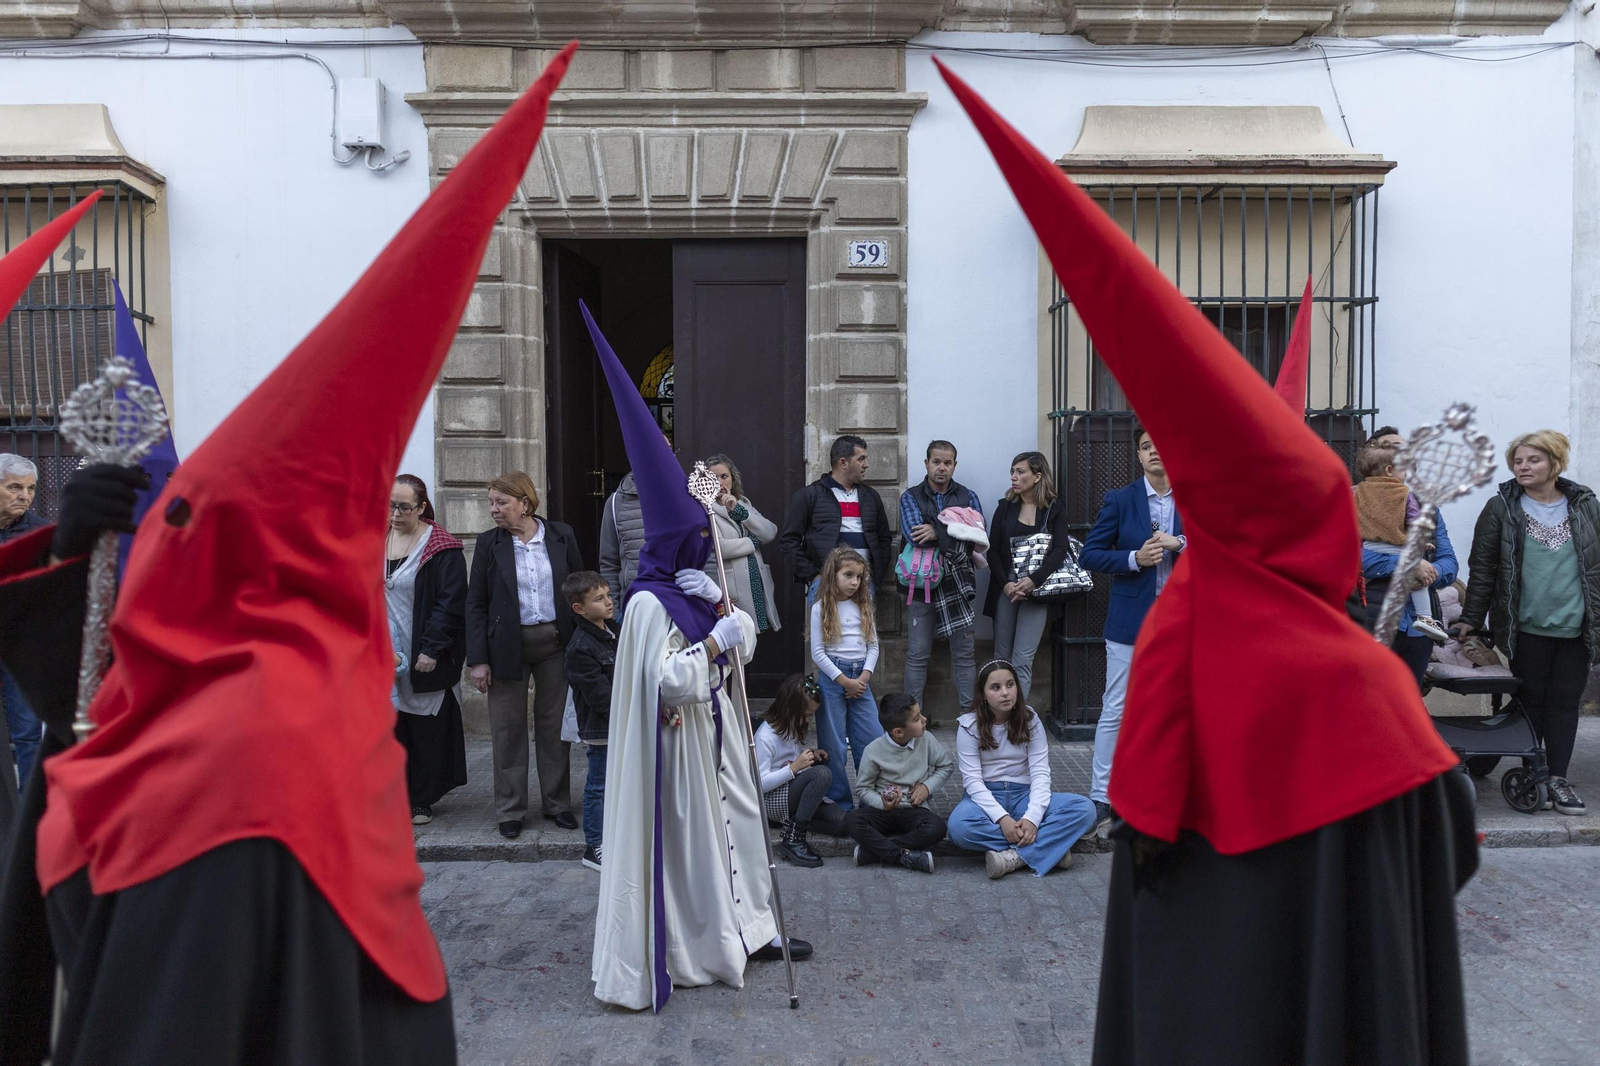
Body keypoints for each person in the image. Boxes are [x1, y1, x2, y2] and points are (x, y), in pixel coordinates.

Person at [0, 50, 576, 1062]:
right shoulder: (298, 693)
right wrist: (78, 561)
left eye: (178, 524)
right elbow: (87, 739)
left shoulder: (230, 754)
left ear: (228, 557)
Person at [933, 62, 1477, 1064]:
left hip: (1188, 989)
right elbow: (1439, 845)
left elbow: (1140, 806)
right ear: (1312, 516)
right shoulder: (1351, 668)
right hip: (1318, 988)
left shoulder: (1185, 623)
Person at [583, 303, 810, 1015]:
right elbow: (665, 677)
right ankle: (707, 939)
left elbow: (734, 626)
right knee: (699, 848)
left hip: (717, 729)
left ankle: (756, 927)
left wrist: (722, 609)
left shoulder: (691, 589)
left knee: (741, 822)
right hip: (679, 744)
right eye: (695, 542)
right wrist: (716, 642)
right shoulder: (649, 605)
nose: (701, 549)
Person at [1459, 429, 1599, 817]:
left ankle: (1558, 778)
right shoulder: (1500, 508)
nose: (1523, 466)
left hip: (1576, 625)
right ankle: (1533, 773)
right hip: (1524, 627)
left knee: (1565, 703)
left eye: (1533, 460)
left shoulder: (1586, 506)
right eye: (1518, 461)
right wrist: (1471, 618)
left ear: (1555, 463)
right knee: (1532, 702)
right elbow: (1483, 569)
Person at [466, 471, 586, 839]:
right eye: (491, 503)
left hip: (554, 644)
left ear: (525, 503)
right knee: (507, 729)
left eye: (501, 502)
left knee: (554, 730)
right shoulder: (489, 544)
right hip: (506, 647)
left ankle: (557, 804)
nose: (494, 510)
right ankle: (510, 810)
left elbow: (579, 587)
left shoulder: (561, 534)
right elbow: (476, 604)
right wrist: (478, 660)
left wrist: (584, 642)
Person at [1077, 425, 1186, 826]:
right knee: (1117, 707)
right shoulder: (1121, 500)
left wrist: (1183, 543)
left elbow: (1220, 547)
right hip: (1129, 619)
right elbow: (1090, 554)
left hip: (1182, 619)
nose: (1155, 451)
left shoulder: (1194, 499)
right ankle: (1102, 796)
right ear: (1138, 456)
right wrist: (1133, 559)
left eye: (1161, 444)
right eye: (1146, 446)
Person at [948, 660, 1096, 879]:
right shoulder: (969, 726)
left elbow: (1040, 773)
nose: (1005, 693)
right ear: (983, 694)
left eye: (1010, 685)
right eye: (996, 688)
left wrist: (1033, 818)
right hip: (985, 798)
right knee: (958, 828)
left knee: (1085, 810)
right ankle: (1048, 849)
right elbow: (972, 781)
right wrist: (1002, 819)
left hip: (1023, 795)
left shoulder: (1030, 720)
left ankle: (1014, 858)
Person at [384, 474, 468, 826]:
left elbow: (449, 604)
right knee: (390, 723)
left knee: (423, 723)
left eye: (403, 507)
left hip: (422, 646)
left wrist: (432, 648)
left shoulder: (440, 547)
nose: (395, 513)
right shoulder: (376, 538)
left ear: (421, 508)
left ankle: (421, 797)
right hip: (382, 648)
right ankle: (393, 795)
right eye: (390, 505)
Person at [1352, 443, 1457, 686]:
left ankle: (1426, 618)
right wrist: (1406, 564)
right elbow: (1348, 555)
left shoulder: (1426, 507)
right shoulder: (1357, 499)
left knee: (1410, 698)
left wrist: (1431, 572)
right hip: (1374, 620)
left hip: (1417, 632)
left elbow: (1450, 563)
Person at [899, 440, 983, 725]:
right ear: (926, 463)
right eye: (936, 461)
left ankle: (969, 717)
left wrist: (935, 529)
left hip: (960, 584)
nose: (941, 468)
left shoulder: (968, 495)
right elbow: (914, 535)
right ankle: (914, 718)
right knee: (918, 654)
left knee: (964, 654)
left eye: (947, 463)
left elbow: (977, 536)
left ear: (954, 466)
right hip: (921, 583)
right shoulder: (910, 496)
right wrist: (953, 529)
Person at [984, 451, 1073, 701]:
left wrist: (1034, 579)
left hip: (1038, 588)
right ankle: (997, 715)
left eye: (1020, 471)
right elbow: (992, 550)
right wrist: (1006, 584)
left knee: (1022, 658)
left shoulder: (1054, 508)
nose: (1014, 476)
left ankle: (1017, 719)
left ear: (1037, 476)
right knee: (1001, 656)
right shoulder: (1005, 507)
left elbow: (1060, 549)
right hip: (1007, 585)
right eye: (1012, 471)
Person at [844, 691, 951, 873]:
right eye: (917, 719)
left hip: (914, 809)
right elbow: (863, 788)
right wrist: (882, 804)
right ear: (898, 732)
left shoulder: (926, 740)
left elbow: (946, 767)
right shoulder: (873, 751)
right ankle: (904, 856)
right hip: (883, 812)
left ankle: (874, 853)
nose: (924, 720)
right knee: (851, 821)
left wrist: (926, 787)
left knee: (938, 827)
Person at [779, 434, 893, 601]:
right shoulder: (810, 495)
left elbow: (884, 539)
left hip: (864, 584)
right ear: (843, 463)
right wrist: (814, 576)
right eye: (861, 459)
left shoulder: (871, 496)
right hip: (825, 583)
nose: (866, 465)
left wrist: (876, 577)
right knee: (828, 628)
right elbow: (789, 541)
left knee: (863, 628)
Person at [810, 546, 881, 810]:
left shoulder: (863, 605)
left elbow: (873, 645)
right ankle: (839, 802)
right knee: (834, 743)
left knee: (872, 738)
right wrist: (844, 681)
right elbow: (818, 653)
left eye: (859, 577)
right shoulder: (820, 608)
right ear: (833, 575)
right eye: (848, 575)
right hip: (832, 680)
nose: (854, 582)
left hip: (861, 679)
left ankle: (871, 799)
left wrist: (862, 678)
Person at [754, 673, 846, 868]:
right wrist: (794, 767)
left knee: (842, 823)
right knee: (822, 774)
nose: (807, 721)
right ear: (789, 710)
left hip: (792, 793)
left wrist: (811, 754)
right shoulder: (765, 737)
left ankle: (796, 822)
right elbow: (759, 784)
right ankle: (793, 839)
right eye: (806, 715)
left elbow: (792, 756)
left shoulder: (792, 729)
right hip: (772, 799)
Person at [562, 570, 618, 872]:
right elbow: (601, 696)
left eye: (608, 595)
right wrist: (628, 716)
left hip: (622, 723)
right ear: (579, 609)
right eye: (599, 599)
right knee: (599, 785)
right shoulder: (580, 647)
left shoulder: (614, 630)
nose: (608, 603)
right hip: (602, 727)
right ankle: (593, 845)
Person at [0, 454, 46, 798]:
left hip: (21, 645)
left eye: (30, 488)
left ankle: (29, 815)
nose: (24, 496)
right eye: (14, 487)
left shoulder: (41, 533)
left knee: (28, 732)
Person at [702, 453, 782, 634]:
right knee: (736, 641)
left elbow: (770, 532)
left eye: (724, 476)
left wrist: (738, 510)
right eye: (713, 478)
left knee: (754, 641)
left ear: (732, 478)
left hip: (756, 584)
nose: (720, 482)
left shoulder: (742, 503)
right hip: (730, 588)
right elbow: (720, 548)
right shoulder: (703, 509)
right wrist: (753, 541)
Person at [599, 470, 642, 608]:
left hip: (679, 610)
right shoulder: (616, 502)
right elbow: (609, 563)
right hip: (633, 607)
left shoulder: (684, 495)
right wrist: (614, 613)